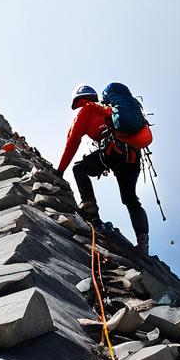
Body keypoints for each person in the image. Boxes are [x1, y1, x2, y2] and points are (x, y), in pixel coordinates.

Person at [57, 84, 153, 255]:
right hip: (132, 156)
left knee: (79, 169)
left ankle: (90, 211)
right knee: (130, 200)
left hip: (112, 152)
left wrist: (59, 171)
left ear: (79, 99)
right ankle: (143, 243)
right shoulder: (109, 108)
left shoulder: (87, 110)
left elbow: (72, 142)